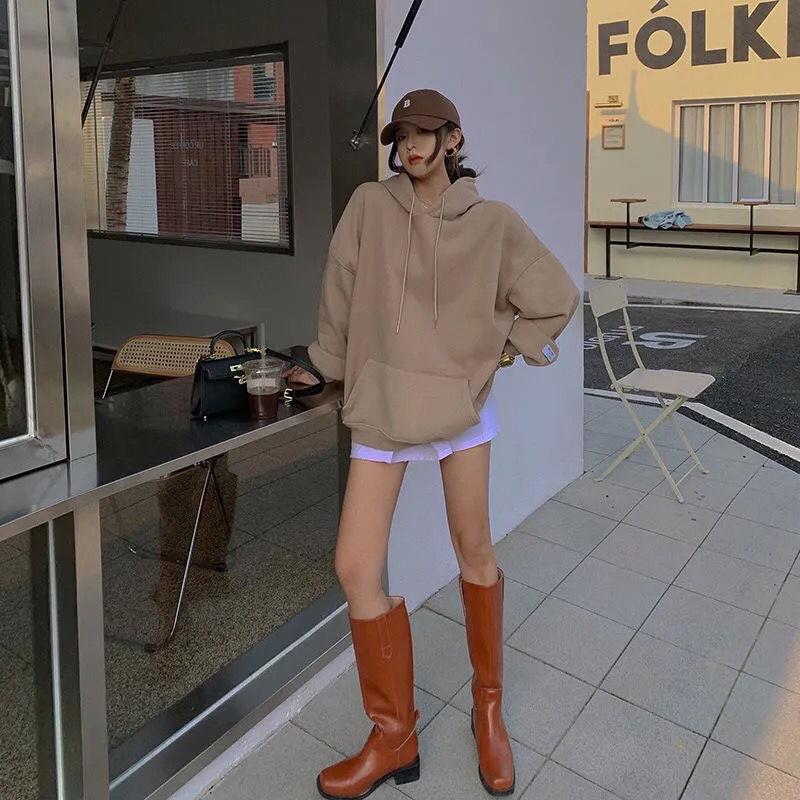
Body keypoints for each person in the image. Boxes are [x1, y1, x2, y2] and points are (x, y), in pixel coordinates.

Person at [285, 88, 580, 799]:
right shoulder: (370, 206)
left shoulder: (492, 221)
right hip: (383, 404)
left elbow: (555, 297)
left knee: (474, 549)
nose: (411, 144)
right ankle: (394, 735)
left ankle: (488, 709)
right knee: (356, 567)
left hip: (458, 412)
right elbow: (339, 292)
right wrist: (326, 364)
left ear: (453, 138)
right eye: (401, 134)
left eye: (425, 132)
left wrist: (497, 355)